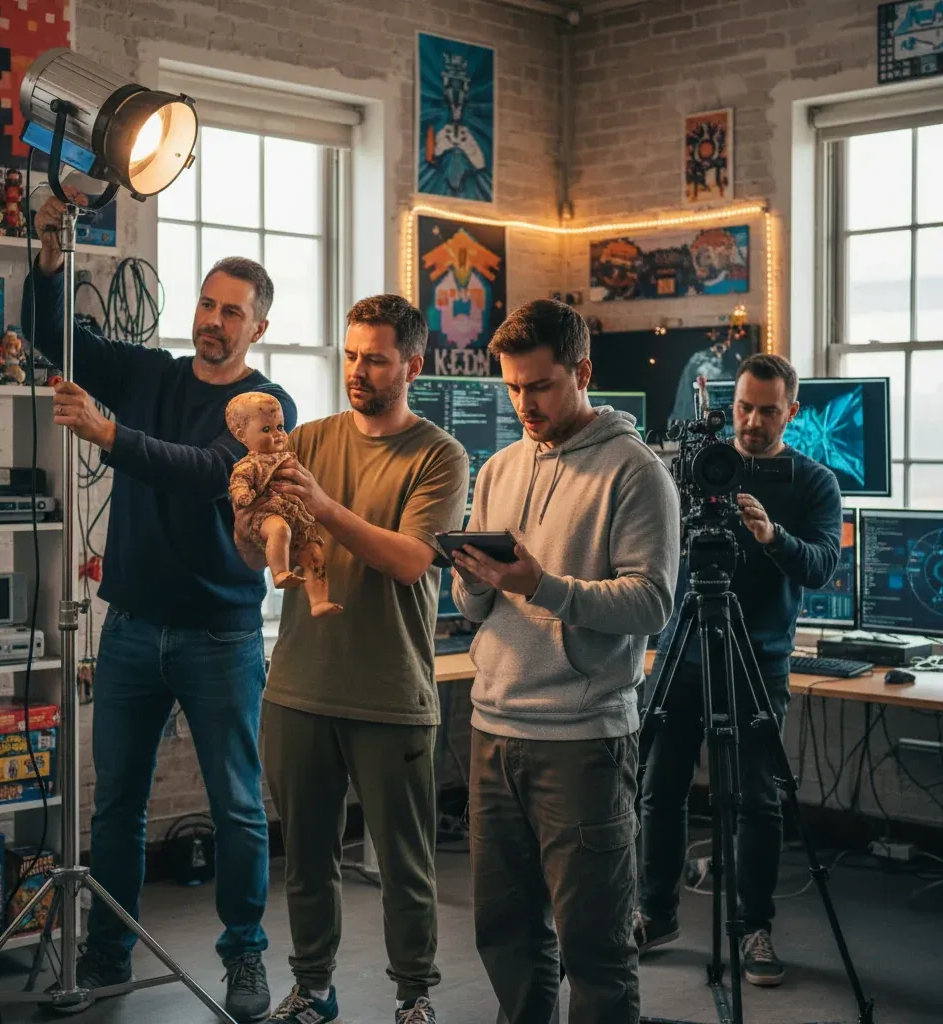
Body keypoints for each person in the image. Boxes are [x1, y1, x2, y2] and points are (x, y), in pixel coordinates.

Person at [24, 195, 297, 1023]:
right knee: (116, 805)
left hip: (221, 634)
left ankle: (245, 959)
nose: (214, 321)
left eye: (232, 313)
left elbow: (205, 470)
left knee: (240, 808)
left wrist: (109, 437)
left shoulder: (263, 405)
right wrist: (47, 253)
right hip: (133, 627)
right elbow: (52, 331)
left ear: (257, 328)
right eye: (208, 304)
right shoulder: (151, 373)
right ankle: (106, 953)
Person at [450, 299, 681, 1024]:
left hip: (583, 742)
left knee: (597, 950)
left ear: (582, 372)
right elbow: (478, 608)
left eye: (540, 386)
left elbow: (652, 603)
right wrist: (470, 576)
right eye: (512, 387)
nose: (524, 404)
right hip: (494, 732)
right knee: (507, 939)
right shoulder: (499, 467)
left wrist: (540, 586)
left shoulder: (635, 473)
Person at [240, 294, 468, 1024]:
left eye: (375, 358)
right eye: (350, 355)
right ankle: (312, 989)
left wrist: (324, 505)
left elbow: (409, 561)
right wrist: (253, 519)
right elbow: (260, 546)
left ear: (413, 364)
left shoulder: (440, 454)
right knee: (306, 861)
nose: (358, 371)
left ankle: (413, 997)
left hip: (390, 691)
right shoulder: (305, 437)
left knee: (406, 867)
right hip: (299, 686)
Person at [636, 353, 842, 988]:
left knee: (756, 799)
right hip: (684, 650)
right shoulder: (697, 469)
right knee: (657, 788)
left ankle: (754, 927)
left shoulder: (812, 483)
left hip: (759, 659)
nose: (753, 422)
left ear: (792, 411)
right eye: (745, 408)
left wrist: (771, 536)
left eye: (769, 411)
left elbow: (821, 566)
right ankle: (655, 912)